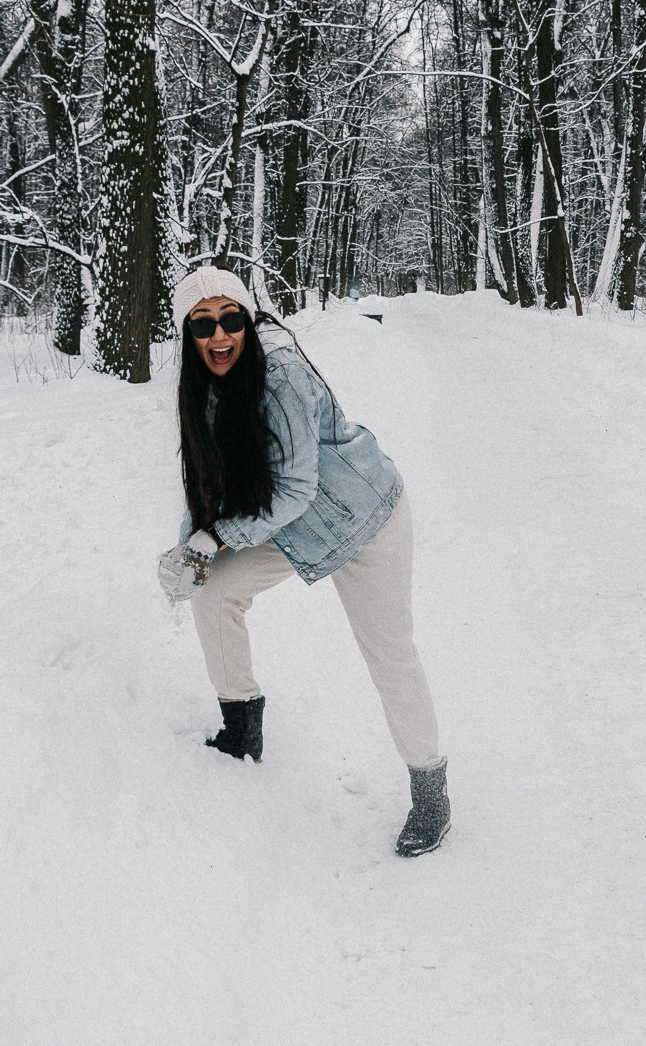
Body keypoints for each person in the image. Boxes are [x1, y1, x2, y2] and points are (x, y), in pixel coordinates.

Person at [157, 265, 450, 858]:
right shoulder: (200, 382)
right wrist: (189, 545)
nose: (219, 336)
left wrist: (211, 544)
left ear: (249, 317)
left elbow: (295, 489)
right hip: (293, 527)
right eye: (203, 324)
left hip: (363, 517)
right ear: (187, 332)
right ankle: (242, 727)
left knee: (390, 655)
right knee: (215, 594)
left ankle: (431, 791)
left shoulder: (279, 373)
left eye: (231, 319)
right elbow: (205, 481)